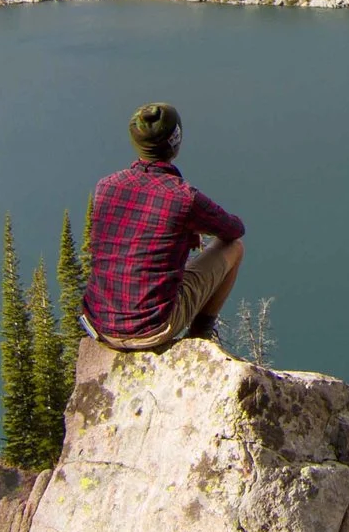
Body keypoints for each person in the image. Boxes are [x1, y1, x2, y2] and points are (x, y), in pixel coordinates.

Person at [82, 102, 247, 350]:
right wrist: (192, 226)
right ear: (175, 141)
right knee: (234, 248)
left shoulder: (106, 186)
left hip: (100, 324)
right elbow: (234, 230)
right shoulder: (183, 197)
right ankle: (200, 340)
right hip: (151, 328)